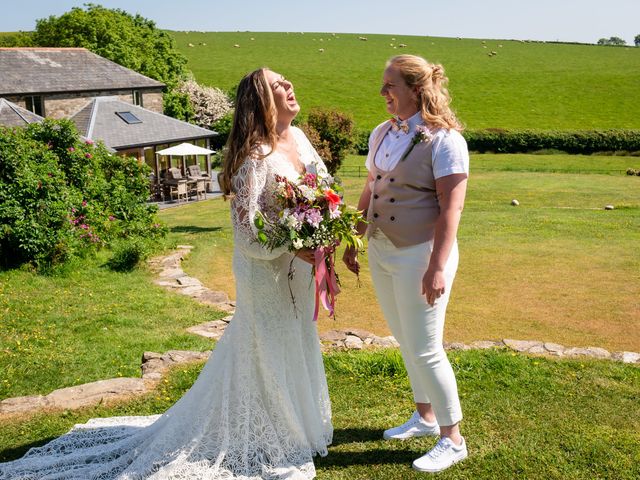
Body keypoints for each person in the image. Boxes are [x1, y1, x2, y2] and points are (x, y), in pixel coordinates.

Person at [0, 68, 332, 480]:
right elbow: (247, 237)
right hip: (264, 272)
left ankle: (299, 425)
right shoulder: (252, 159)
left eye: (288, 80)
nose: (289, 86)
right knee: (265, 343)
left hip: (299, 268)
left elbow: (322, 190)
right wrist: (293, 244)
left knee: (296, 336)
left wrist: (324, 229)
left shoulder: (299, 139)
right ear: (261, 99)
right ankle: (274, 434)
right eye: (279, 84)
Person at [343, 54, 469, 473]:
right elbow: (371, 187)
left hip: (421, 253)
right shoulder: (381, 133)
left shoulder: (445, 140)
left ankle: (452, 439)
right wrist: (353, 236)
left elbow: (452, 210)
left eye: (390, 85)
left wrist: (437, 266)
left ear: (416, 89)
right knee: (405, 338)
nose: (382, 93)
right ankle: (425, 417)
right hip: (382, 249)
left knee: (426, 347)